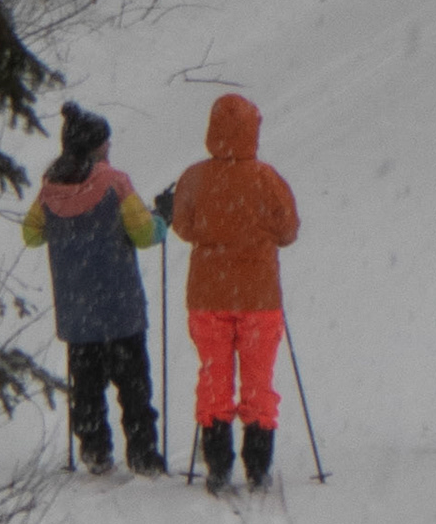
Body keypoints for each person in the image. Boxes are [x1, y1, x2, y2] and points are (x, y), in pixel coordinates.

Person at [22, 101, 168, 475]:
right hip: (121, 308)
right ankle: (143, 454)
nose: (109, 147)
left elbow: (31, 235)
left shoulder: (50, 191)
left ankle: (95, 451)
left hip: (77, 311)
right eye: (105, 141)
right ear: (95, 145)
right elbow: (144, 234)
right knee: (134, 388)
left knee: (87, 389)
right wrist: (162, 218)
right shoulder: (115, 183)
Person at [170, 94, 300, 493]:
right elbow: (288, 232)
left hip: (208, 295)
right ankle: (258, 463)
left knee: (213, 377)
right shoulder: (267, 179)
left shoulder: (194, 177)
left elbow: (184, 227)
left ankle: (218, 461)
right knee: (259, 381)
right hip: (258, 298)